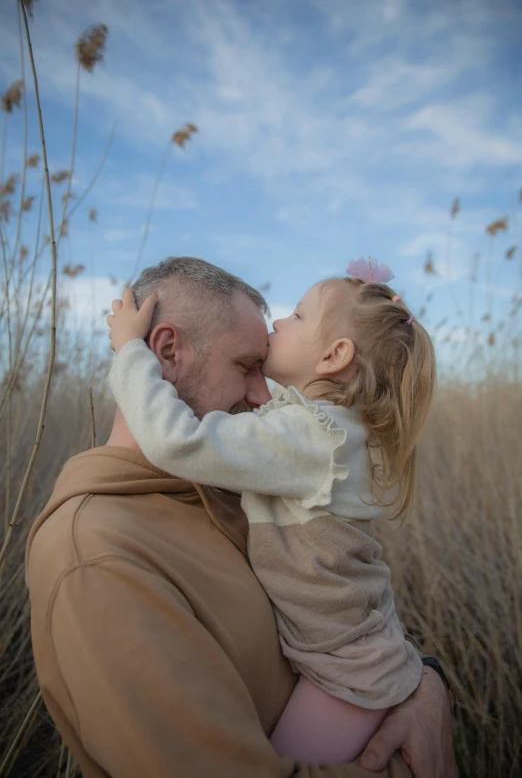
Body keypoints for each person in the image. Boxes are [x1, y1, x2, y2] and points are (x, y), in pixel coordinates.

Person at [26, 257, 457, 778]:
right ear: (163, 353)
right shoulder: (98, 561)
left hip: (357, 684)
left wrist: (425, 682)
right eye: (246, 366)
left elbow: (348, 596)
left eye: (293, 322)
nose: (261, 398)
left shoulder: (231, 486)